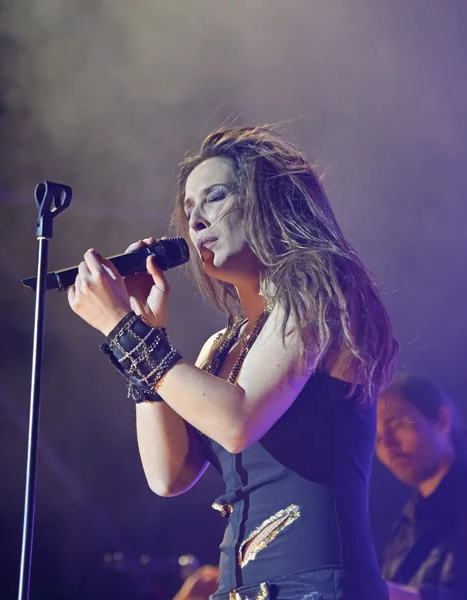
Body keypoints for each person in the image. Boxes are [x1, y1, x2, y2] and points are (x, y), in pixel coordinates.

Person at [68, 125, 398, 600]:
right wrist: (145, 329)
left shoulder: (318, 291)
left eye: (214, 197)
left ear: (268, 202)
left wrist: (124, 331)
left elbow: (237, 420)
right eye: (187, 210)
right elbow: (168, 476)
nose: (195, 220)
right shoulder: (220, 347)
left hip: (319, 586)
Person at [376, 374, 467, 600]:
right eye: (375, 438)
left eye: (394, 423)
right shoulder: (405, 525)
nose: (387, 444)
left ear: (441, 420)